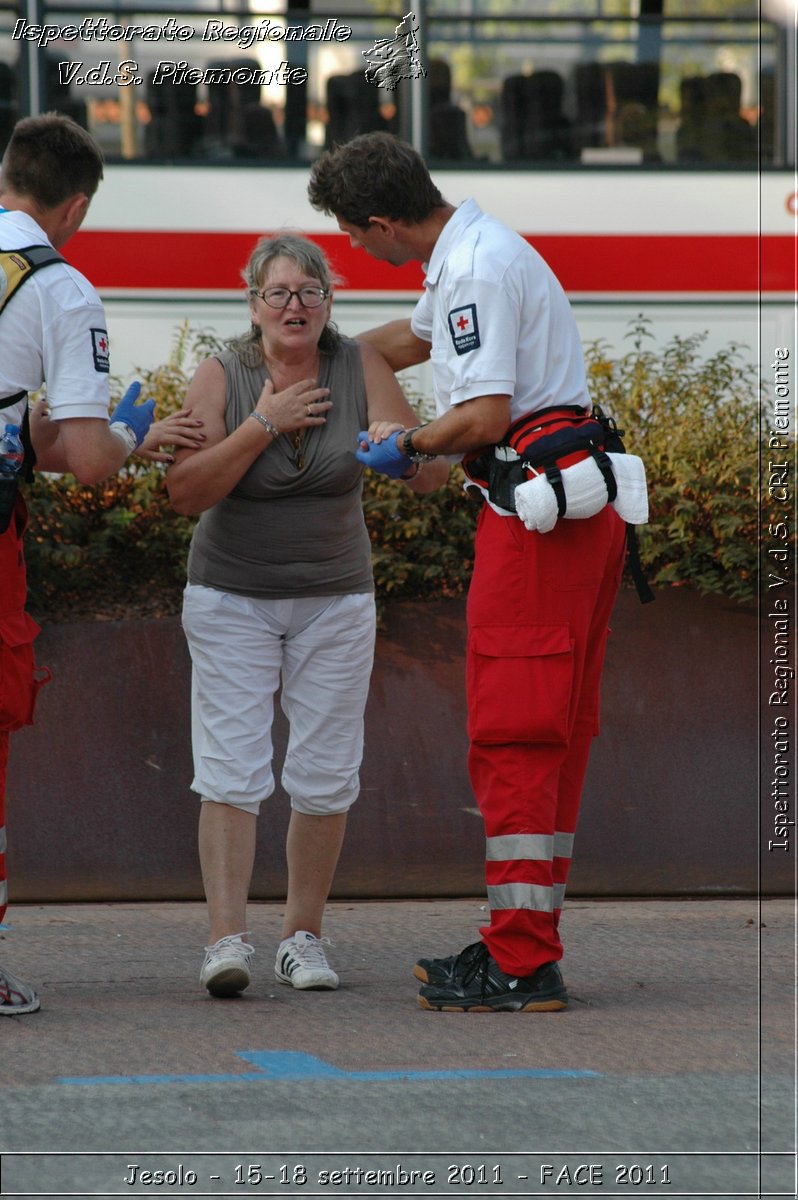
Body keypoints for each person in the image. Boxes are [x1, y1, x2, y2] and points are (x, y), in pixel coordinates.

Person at [308, 131, 628, 1013]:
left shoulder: (476, 269)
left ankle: (520, 961)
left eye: (350, 236)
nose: (352, 251)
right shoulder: (474, 257)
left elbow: (483, 413)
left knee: (515, 739)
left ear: (381, 222)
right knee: (551, 740)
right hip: (569, 519)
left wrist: (404, 443)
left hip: (535, 531)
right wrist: (321, 354)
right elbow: (395, 344)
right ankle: (528, 946)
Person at [166, 232, 448, 999]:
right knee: (231, 768)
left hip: (336, 599)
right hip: (230, 596)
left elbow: (426, 472)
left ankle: (303, 938)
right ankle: (226, 941)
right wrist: (264, 424)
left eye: (311, 291)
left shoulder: (359, 364)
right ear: (253, 304)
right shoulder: (223, 373)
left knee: (325, 774)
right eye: (279, 293)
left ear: (331, 300)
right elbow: (185, 492)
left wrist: (410, 449)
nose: (296, 306)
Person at [0, 112, 204, 1015]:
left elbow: (25, 434)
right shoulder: (58, 286)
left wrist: (117, 437)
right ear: (74, 206)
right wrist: (124, 430)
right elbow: (86, 458)